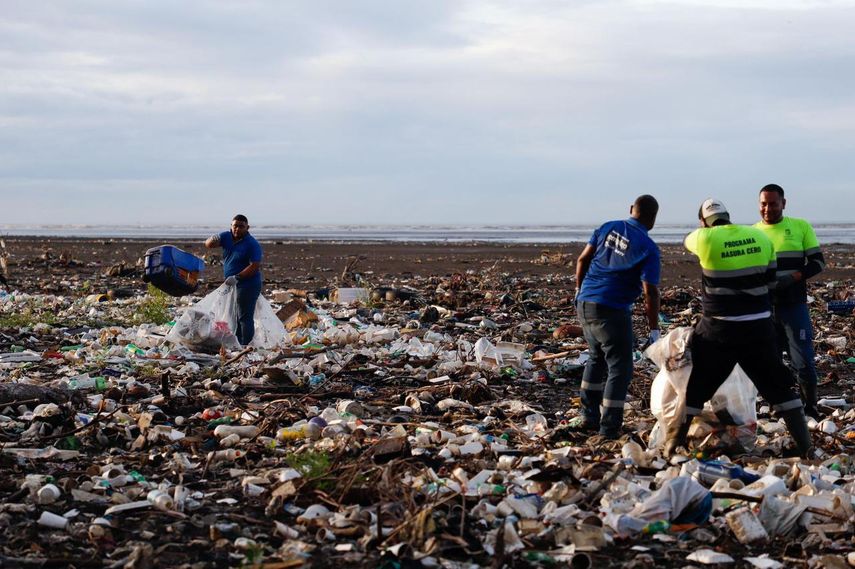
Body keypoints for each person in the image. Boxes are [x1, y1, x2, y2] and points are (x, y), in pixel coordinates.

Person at [664, 199, 812, 457]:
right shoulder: (760, 237)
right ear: (728, 215)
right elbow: (770, 280)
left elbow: (688, 241)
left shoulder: (703, 237)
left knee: (696, 389)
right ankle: (805, 447)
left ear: (703, 222)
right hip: (759, 328)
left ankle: (671, 447)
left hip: (719, 330)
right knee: (778, 386)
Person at [571, 195, 661, 439]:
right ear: (653, 219)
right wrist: (654, 330)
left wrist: (579, 290)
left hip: (586, 303)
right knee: (620, 368)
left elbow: (582, 259)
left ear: (632, 209)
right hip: (611, 309)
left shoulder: (607, 227)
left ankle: (588, 415)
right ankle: (609, 428)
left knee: (596, 357)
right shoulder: (648, 248)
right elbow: (650, 291)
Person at [754, 184, 825, 419]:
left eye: (773, 203)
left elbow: (818, 263)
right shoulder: (752, 233)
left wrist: (792, 278)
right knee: (770, 362)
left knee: (803, 361)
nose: (768, 208)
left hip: (794, 305)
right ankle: (779, 406)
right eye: (763, 204)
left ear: (783, 203)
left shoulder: (800, 227)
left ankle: (810, 407)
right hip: (764, 309)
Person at [205, 215, 263, 346]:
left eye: (241, 226)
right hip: (232, 285)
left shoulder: (252, 244)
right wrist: (213, 239)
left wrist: (237, 277)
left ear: (247, 228)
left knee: (244, 317)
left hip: (248, 284)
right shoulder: (226, 236)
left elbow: (254, 266)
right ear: (231, 226)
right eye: (235, 226)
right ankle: (237, 343)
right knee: (233, 315)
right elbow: (208, 244)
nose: (237, 229)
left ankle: (246, 345)